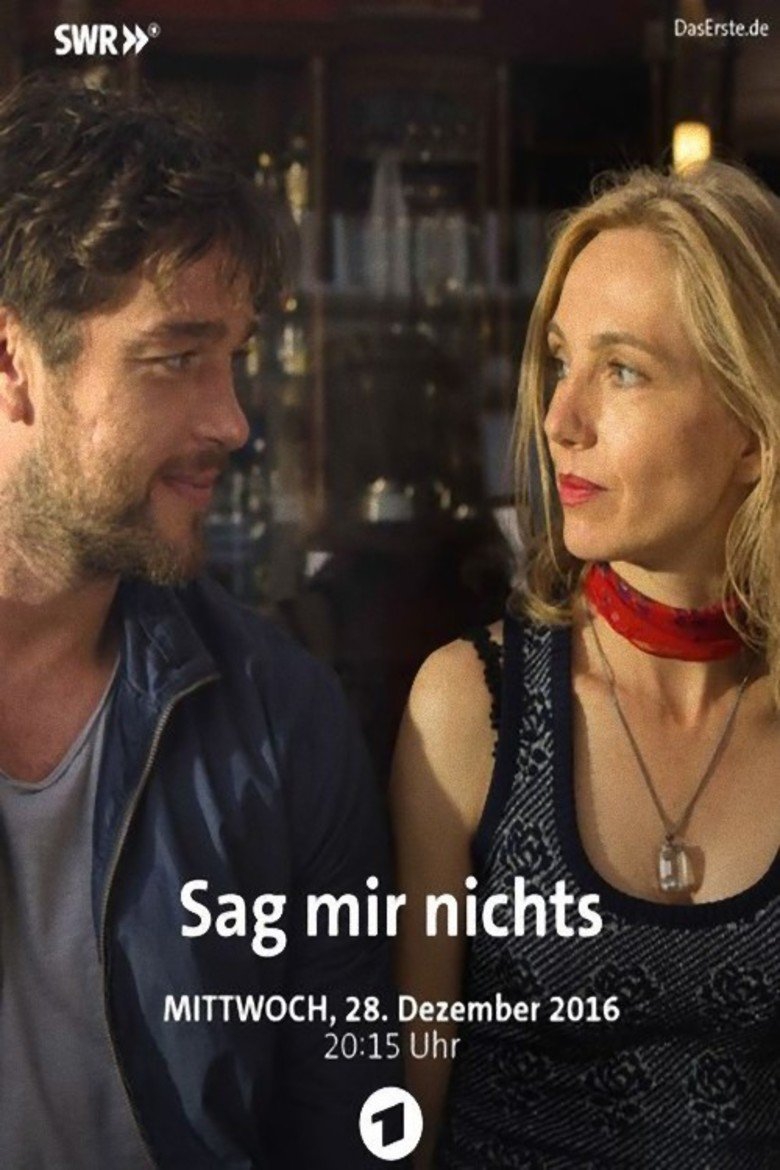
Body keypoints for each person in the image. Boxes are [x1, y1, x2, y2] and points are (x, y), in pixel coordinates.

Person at [0, 74, 402, 1169]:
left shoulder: (279, 719)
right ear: (13, 363)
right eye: (175, 358)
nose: (232, 421)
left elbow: (348, 1130)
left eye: (234, 359)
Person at [391, 160, 780, 1167]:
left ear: (752, 431)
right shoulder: (471, 707)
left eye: (624, 370)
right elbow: (407, 1111)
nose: (561, 418)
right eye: (561, 361)